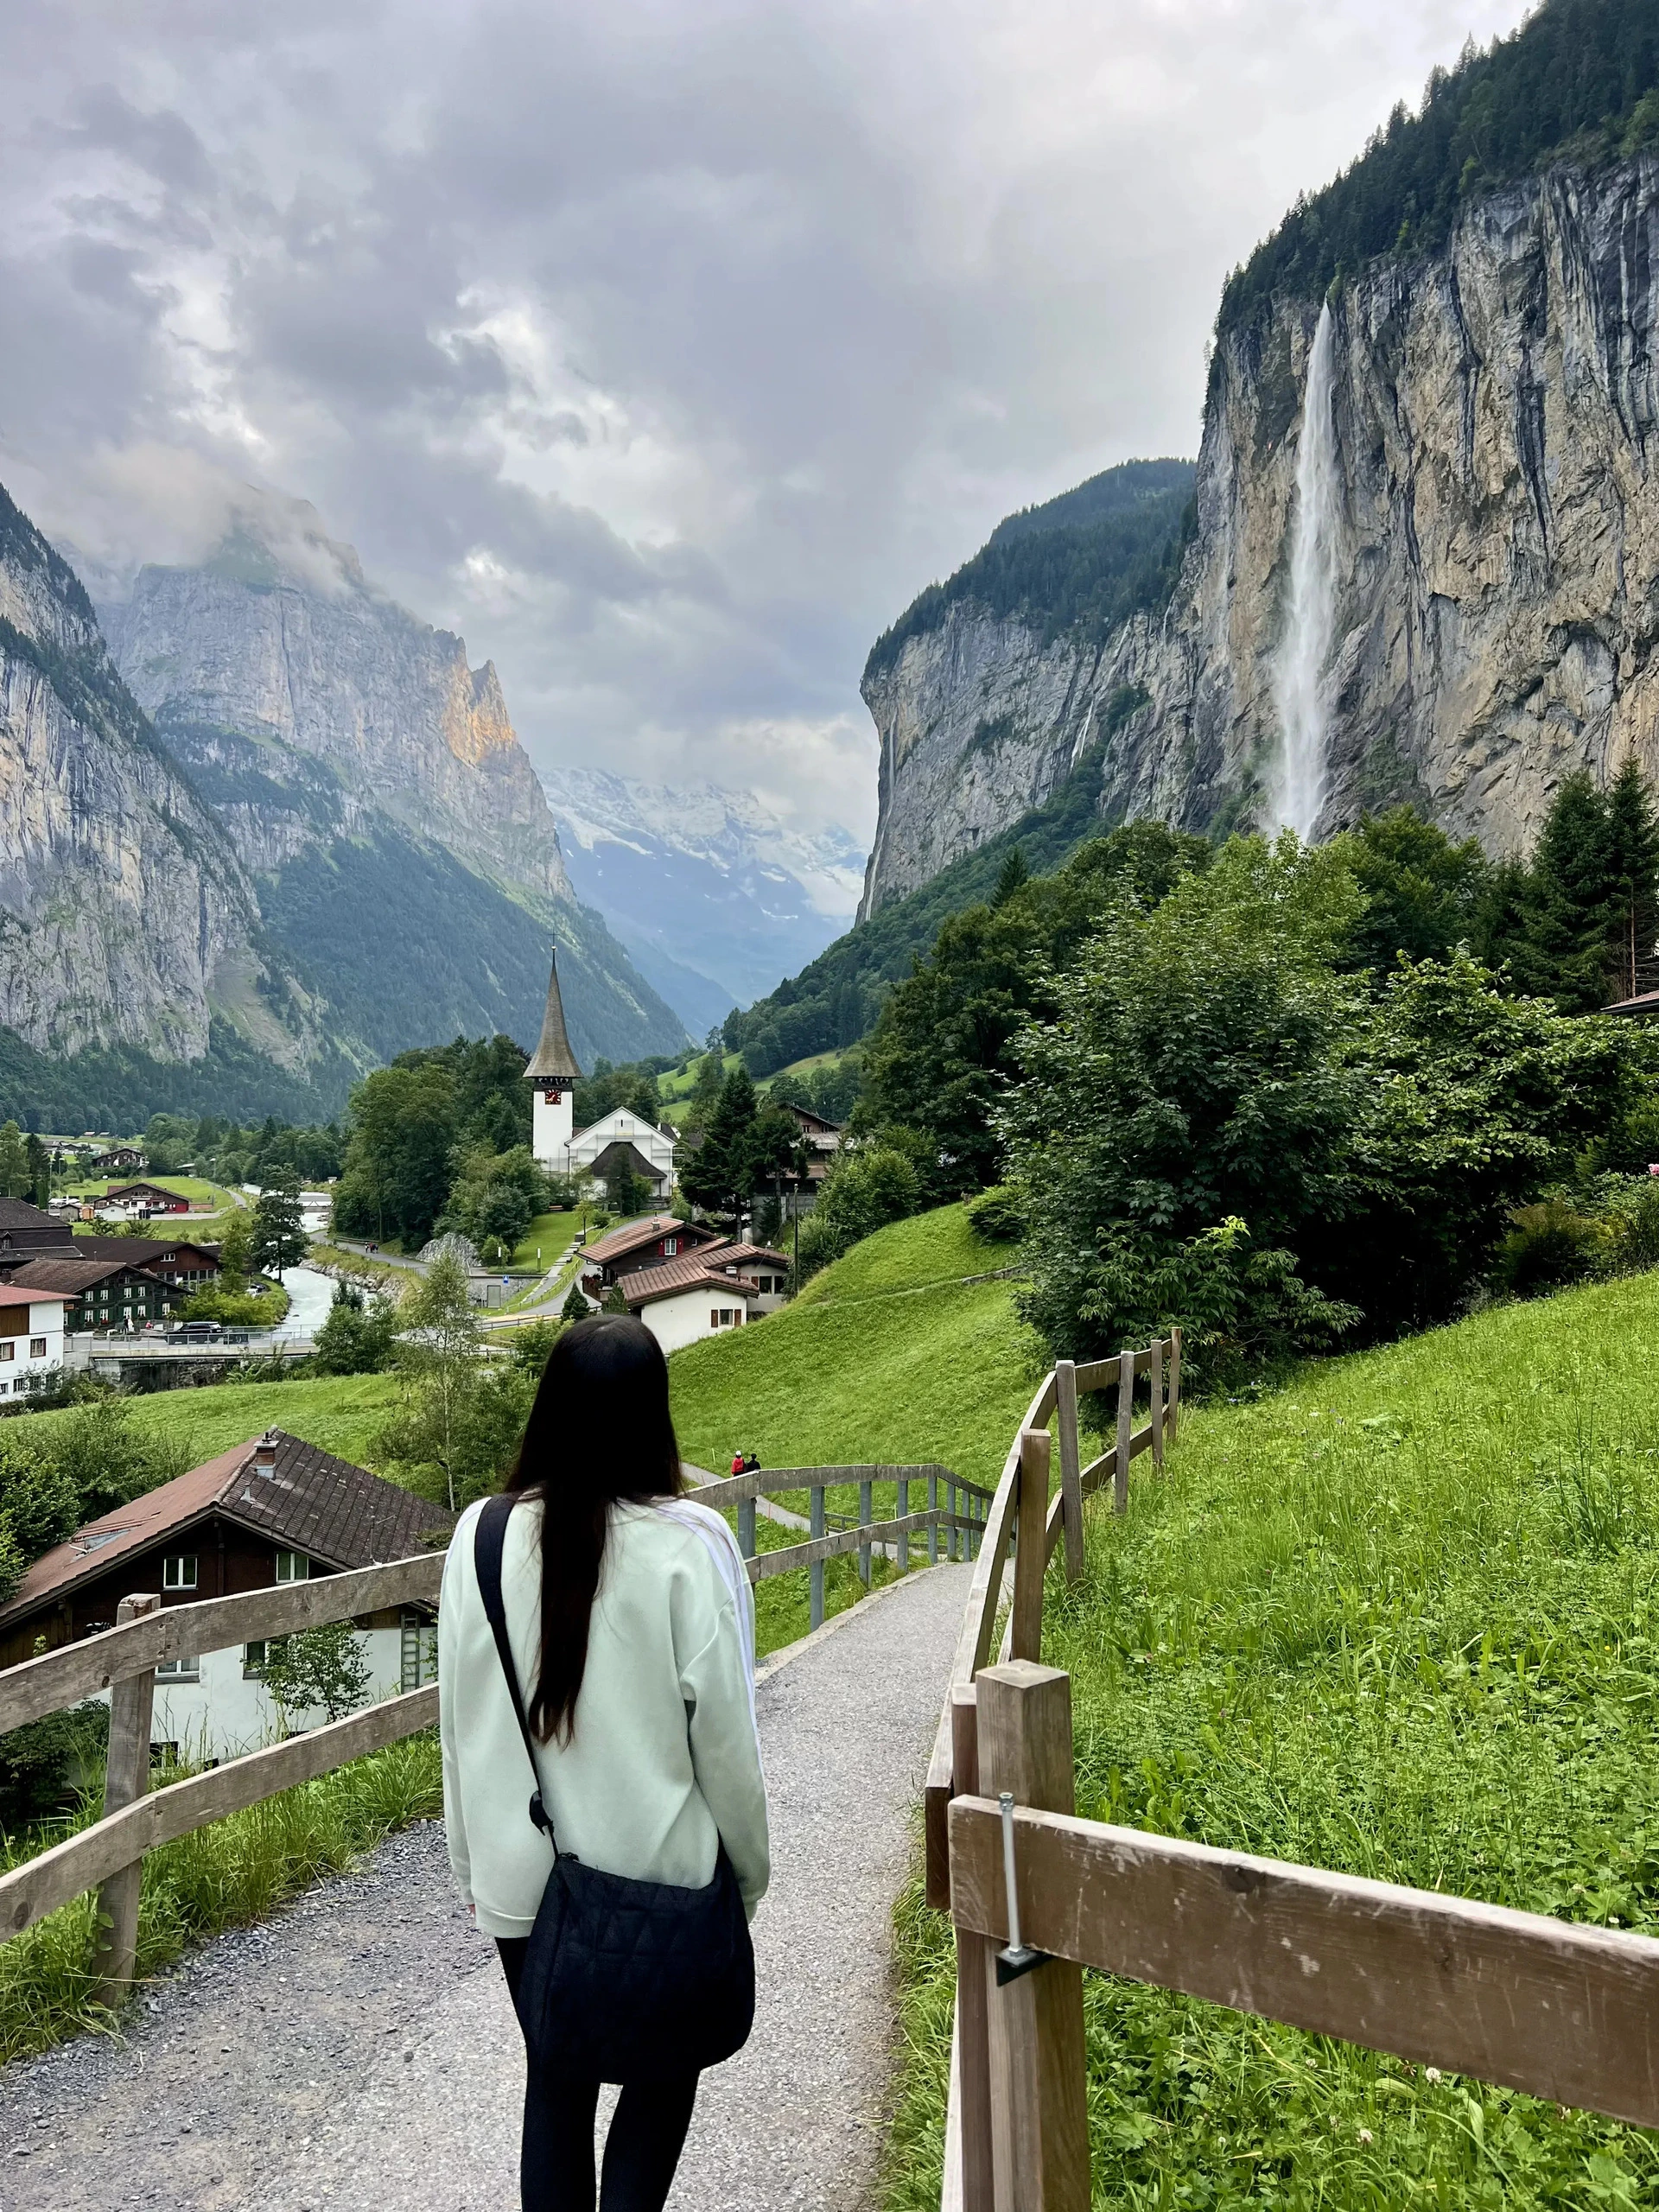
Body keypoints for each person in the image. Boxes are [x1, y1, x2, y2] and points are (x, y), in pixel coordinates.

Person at [440, 1315, 769, 2211]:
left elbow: (455, 1719)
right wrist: (744, 1880)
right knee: (662, 2076)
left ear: (547, 1409)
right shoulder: (689, 1548)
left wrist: (473, 1864)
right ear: (652, 1418)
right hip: (661, 1871)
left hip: (522, 1878)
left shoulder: (479, 1536)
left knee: (556, 2075)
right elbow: (729, 1745)